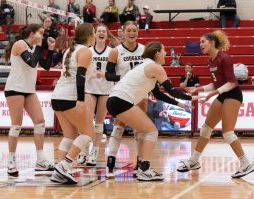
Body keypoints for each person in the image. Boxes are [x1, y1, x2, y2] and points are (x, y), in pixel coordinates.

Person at [106, 41, 196, 181]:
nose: (166, 53)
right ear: (157, 53)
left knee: (145, 131)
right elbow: (170, 90)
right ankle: (145, 169)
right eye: (164, 50)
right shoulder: (155, 67)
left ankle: (142, 166)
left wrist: (180, 104)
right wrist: (191, 97)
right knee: (151, 131)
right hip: (121, 101)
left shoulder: (145, 65)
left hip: (115, 100)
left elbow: (159, 94)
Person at [176, 30, 254, 178]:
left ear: (211, 43)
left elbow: (232, 83)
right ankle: (194, 161)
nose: (200, 45)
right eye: (200, 42)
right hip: (223, 94)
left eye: (203, 42)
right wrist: (198, 89)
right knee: (206, 128)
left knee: (227, 132)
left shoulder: (224, 58)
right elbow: (216, 84)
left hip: (233, 95)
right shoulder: (211, 61)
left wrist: (210, 95)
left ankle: (246, 163)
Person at [94, 21, 145, 178]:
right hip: (122, 93)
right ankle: (111, 163)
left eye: (134, 30)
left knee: (140, 129)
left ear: (138, 32)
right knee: (118, 128)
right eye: (128, 30)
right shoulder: (116, 51)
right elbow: (108, 74)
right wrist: (122, 76)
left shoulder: (144, 50)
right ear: (122, 32)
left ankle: (141, 162)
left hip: (140, 92)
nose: (131, 33)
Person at [3, 24, 55, 176]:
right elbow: (32, 62)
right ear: (32, 34)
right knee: (16, 126)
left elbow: (45, 66)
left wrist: (50, 48)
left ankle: (40, 160)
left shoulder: (34, 47)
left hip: (29, 90)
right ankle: (11, 161)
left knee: (40, 122)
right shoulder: (20, 44)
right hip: (15, 89)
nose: (43, 36)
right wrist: (39, 46)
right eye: (41, 33)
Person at [50, 23, 95, 184]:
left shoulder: (71, 50)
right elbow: (80, 76)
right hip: (70, 97)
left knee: (69, 135)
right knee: (89, 133)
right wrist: (81, 99)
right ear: (89, 35)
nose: (95, 36)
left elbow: (79, 73)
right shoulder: (85, 51)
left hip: (57, 97)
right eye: (94, 33)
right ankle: (65, 164)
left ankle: (59, 171)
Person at [76, 24, 114, 167]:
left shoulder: (111, 52)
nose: (102, 33)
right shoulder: (87, 51)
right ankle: (83, 151)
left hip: (105, 89)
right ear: (95, 33)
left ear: (107, 34)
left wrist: (104, 75)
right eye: (99, 31)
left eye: (104, 31)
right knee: (86, 120)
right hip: (90, 89)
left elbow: (113, 73)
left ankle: (94, 152)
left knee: (99, 123)